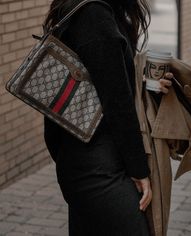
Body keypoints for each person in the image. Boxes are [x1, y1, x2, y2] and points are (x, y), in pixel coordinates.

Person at [43, 0, 172, 235]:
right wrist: (139, 170)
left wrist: (142, 83)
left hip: (86, 161)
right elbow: (117, 103)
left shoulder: (96, 10)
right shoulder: (94, 15)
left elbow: (100, 77)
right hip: (97, 169)